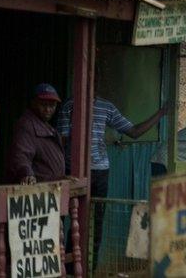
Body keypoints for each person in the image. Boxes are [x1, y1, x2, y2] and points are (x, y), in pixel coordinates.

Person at [56, 95, 166, 265]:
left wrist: (162, 113)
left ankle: (90, 268)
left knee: (96, 223)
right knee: (73, 221)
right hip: (74, 171)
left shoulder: (106, 107)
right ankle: (71, 268)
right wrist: (60, 170)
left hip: (100, 171)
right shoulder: (70, 105)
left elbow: (134, 132)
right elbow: (61, 142)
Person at [8, 84, 65, 184]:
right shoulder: (26, 125)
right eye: (43, 104)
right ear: (33, 103)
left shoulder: (48, 127)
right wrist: (27, 174)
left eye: (52, 105)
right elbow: (21, 154)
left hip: (52, 190)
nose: (48, 109)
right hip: (37, 191)